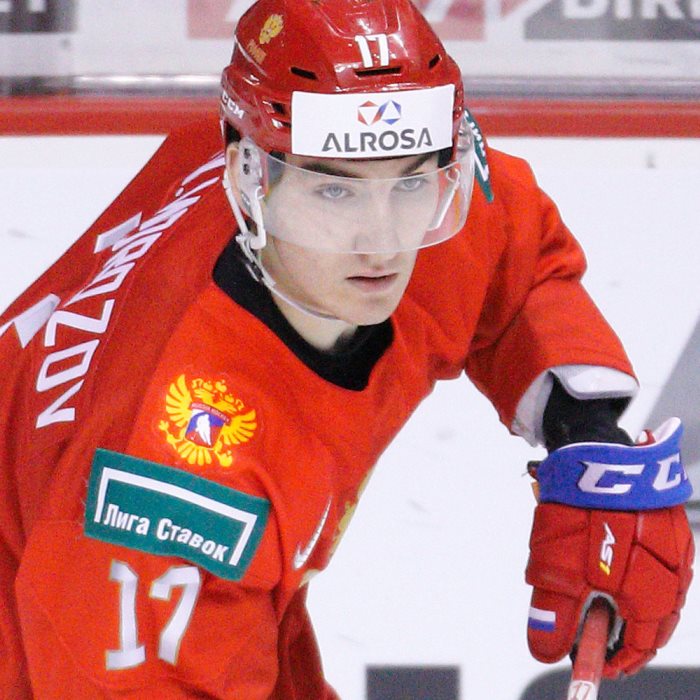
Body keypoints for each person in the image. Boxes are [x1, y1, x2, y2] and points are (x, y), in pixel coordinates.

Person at [0, 0, 693, 697]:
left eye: (412, 180)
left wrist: (586, 436)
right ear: (245, 176)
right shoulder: (174, 483)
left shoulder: (371, 201)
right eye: (335, 190)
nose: (382, 241)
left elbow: (512, 262)